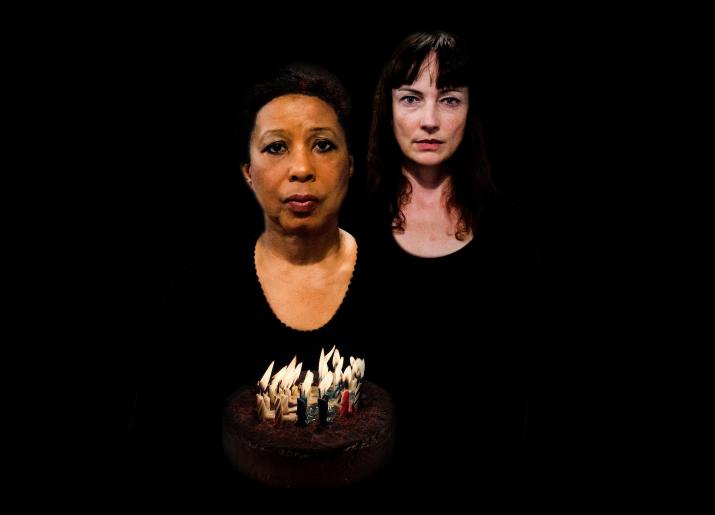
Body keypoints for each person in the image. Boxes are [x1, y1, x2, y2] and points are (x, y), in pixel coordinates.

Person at [130, 63, 378, 499]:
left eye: (323, 145)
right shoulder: (199, 292)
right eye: (276, 147)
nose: (301, 168)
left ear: (350, 165)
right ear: (248, 170)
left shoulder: (402, 281)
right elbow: (157, 450)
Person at [363, 30, 540, 486]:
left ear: (470, 110)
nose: (428, 121)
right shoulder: (348, 228)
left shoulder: (513, 233)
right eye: (410, 98)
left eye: (448, 100)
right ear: (388, 109)